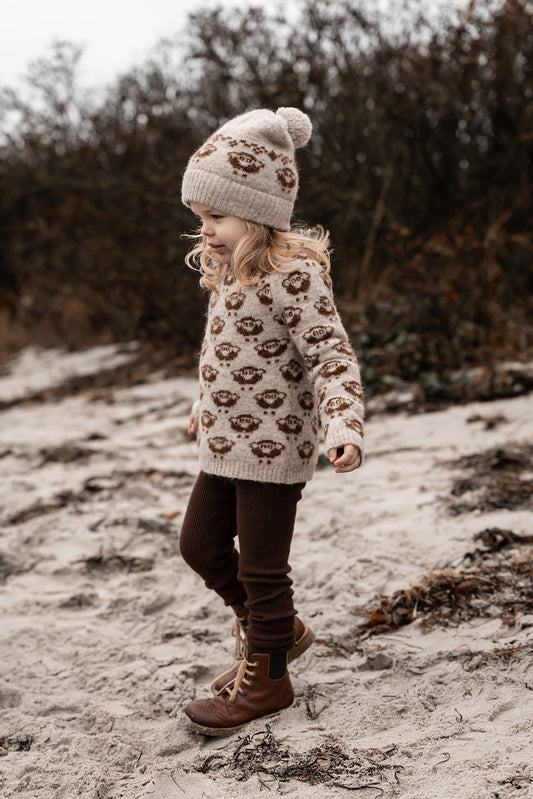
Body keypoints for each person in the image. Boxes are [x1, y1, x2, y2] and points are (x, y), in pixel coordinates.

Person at [179, 107, 364, 736]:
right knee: (199, 546)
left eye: (216, 218)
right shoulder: (228, 269)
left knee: (262, 566)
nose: (204, 232)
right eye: (199, 218)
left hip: (275, 448)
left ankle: (269, 680)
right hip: (224, 444)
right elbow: (229, 354)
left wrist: (344, 425)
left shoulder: (295, 275)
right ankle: (274, 629)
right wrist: (204, 404)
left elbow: (328, 354)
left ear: (259, 212)